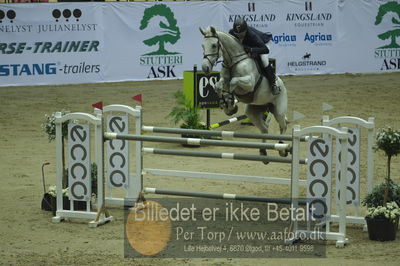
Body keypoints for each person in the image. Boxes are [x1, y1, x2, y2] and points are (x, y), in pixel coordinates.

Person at [229, 17, 280, 95]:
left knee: (264, 60)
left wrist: (251, 50)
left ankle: (273, 84)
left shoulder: (252, 35)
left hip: (264, 44)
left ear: (246, 30)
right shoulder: (232, 33)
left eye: (242, 34)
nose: (240, 36)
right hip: (251, 45)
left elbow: (265, 49)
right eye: (237, 34)